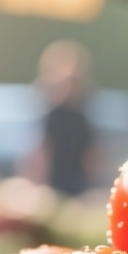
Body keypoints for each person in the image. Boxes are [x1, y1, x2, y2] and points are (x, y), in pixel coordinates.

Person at [32, 40, 93, 196]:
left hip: (77, 181)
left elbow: (89, 153)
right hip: (56, 179)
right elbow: (44, 149)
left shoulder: (81, 117)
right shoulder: (53, 115)